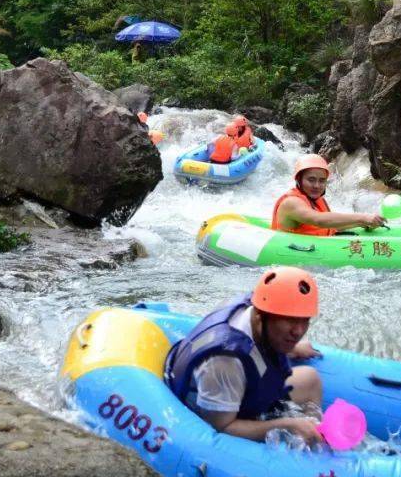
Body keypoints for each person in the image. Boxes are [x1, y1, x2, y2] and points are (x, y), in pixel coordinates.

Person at [164, 267, 325, 443]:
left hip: (235, 387)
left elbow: (257, 343)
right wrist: (288, 425)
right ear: (260, 316)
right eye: (290, 320)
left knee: (311, 380)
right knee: (292, 422)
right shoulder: (225, 360)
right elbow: (221, 427)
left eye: (305, 320)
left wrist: (291, 347)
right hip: (215, 411)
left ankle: (314, 439)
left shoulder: (256, 308)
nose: (299, 331)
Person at [271, 154, 384, 236]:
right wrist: (362, 217)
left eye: (322, 181)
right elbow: (319, 220)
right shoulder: (291, 202)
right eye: (311, 180)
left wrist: (360, 223)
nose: (317, 185)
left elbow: (330, 225)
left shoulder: (318, 200)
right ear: (299, 180)